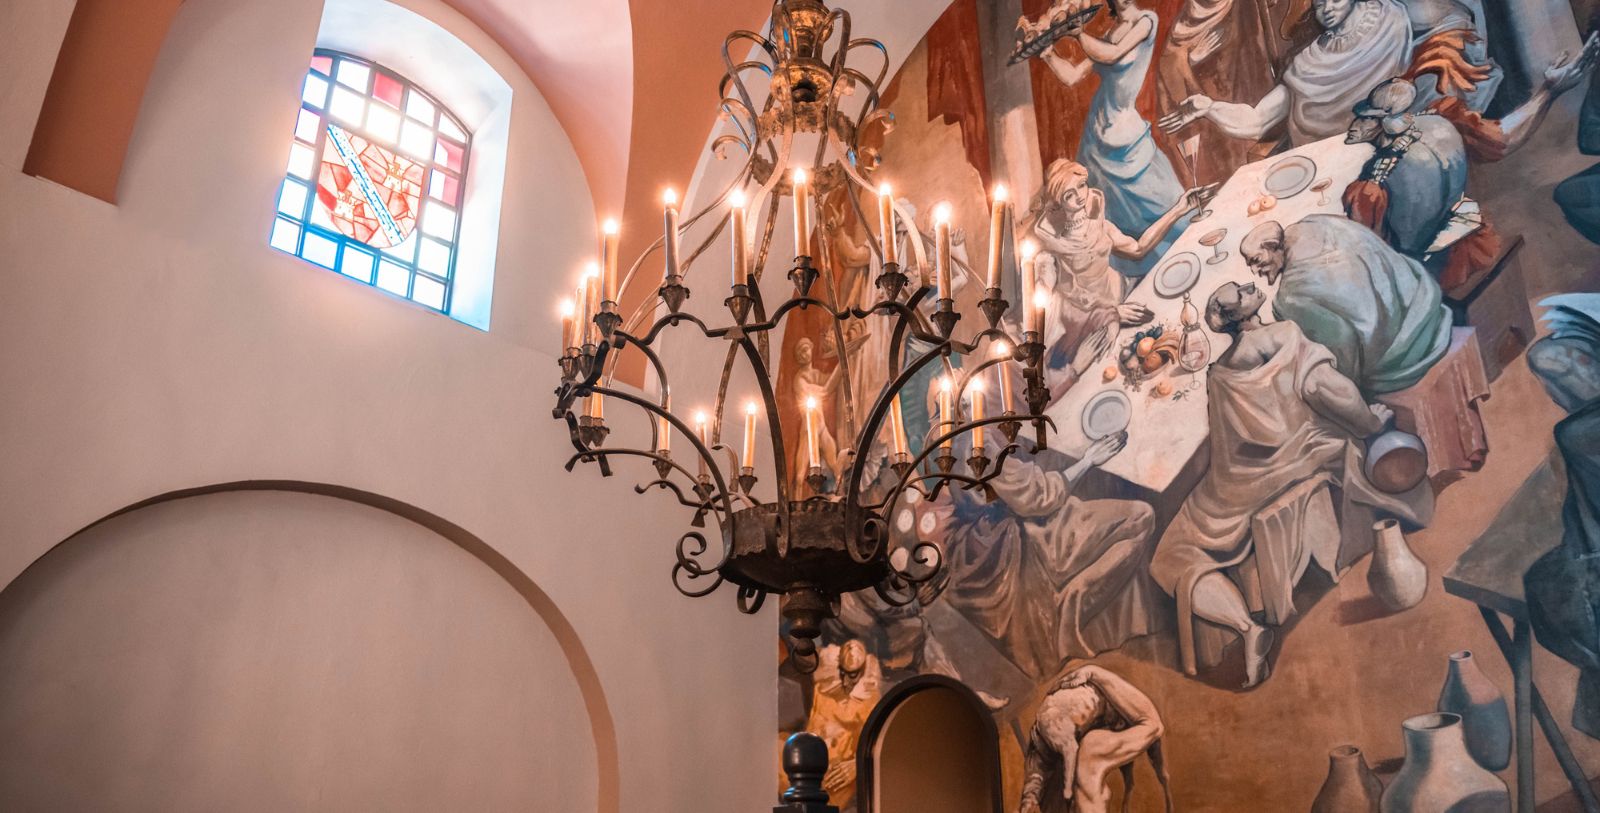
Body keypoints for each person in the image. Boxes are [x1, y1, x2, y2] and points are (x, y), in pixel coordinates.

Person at [1150, 282, 1433, 686]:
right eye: (1246, 289)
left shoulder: (1219, 373)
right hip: (1309, 456)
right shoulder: (1286, 336)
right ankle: (1251, 632)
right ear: (1247, 310)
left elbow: (1227, 448)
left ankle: (1247, 630)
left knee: (1171, 556)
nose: (1252, 285)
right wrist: (1370, 424)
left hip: (1242, 490)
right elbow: (1328, 390)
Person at [935, 354, 1160, 679]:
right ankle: (1074, 605)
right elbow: (1038, 498)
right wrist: (1087, 461)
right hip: (1025, 535)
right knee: (1141, 517)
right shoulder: (977, 447)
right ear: (965, 409)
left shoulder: (947, 441)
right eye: (971, 402)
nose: (981, 406)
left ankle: (1096, 613)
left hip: (1001, 528)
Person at [1343, 45, 1599, 289]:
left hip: (1423, 274)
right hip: (1468, 240)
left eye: (1366, 118)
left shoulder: (1371, 187)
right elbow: (1504, 137)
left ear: (1383, 119)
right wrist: (1548, 91)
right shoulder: (1442, 120)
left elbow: (1369, 256)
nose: (1356, 125)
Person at [1021, 159, 1211, 376]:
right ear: (1058, 202)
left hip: (1123, 293)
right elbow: (1053, 308)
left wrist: (1180, 209)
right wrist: (1109, 314)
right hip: (1089, 321)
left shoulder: (1098, 223)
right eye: (1068, 195)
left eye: (1081, 186)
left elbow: (1138, 249)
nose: (1079, 196)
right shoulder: (1050, 250)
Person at [1036, 0, 1185, 276]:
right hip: (1095, 142)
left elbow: (1113, 55)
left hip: (1126, 138)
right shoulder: (1108, 35)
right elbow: (1071, 76)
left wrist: (1078, 34)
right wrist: (1046, 52)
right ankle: (1140, 283)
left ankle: (1182, 263)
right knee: (1112, 223)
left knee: (1168, 204)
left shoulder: (1146, 21)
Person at [1240, 215, 1451, 395]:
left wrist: (1349, 391)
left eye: (1257, 260)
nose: (1255, 271)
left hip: (1401, 351)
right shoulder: (1314, 222)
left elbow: (1342, 342)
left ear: (1274, 247)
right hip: (1418, 300)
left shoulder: (1288, 298)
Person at [1160, 0, 1413, 147]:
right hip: (1333, 156)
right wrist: (1210, 108)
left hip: (1397, 138)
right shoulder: (1308, 63)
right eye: (1319, 1)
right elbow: (1257, 121)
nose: (1326, 8)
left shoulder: (1392, 17)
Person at [1019, 665, 1172, 813]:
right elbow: (1152, 722)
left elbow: (1036, 775)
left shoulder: (1049, 773)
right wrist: (1093, 673)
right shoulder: (1091, 752)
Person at [802, 640, 882, 808]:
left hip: (841, 779)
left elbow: (878, 747)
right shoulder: (823, 690)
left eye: (852, 675)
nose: (846, 681)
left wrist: (856, 764)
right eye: (843, 672)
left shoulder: (873, 702)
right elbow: (812, 733)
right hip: (813, 772)